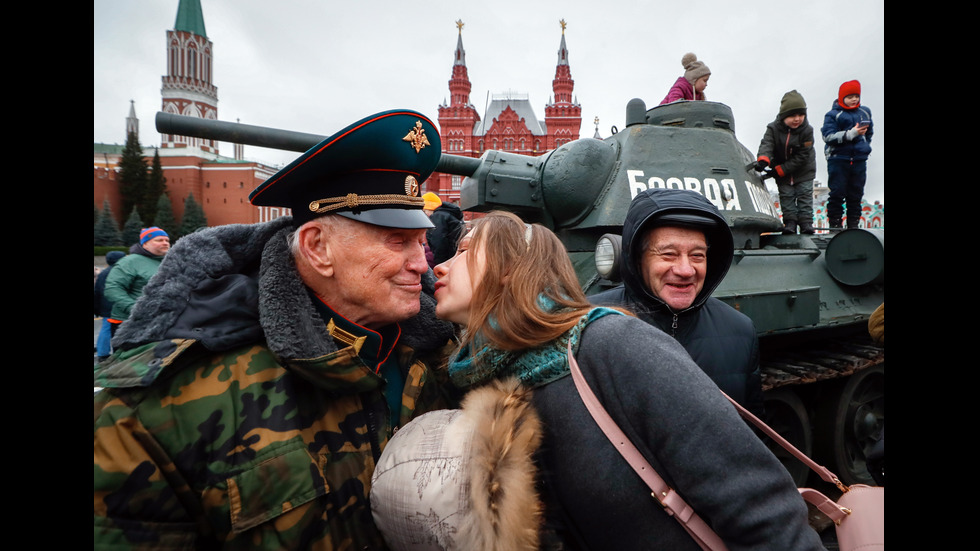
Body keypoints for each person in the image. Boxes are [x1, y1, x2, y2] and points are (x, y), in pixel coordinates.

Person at [94, 109, 462, 550]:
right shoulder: (159, 407)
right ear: (317, 247)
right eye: (396, 241)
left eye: (420, 242)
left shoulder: (437, 351)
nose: (422, 263)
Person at [370, 210, 823, 550]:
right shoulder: (484, 375)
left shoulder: (610, 344)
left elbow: (761, 506)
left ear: (510, 269)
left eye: (465, 253)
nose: (441, 267)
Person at [590, 188, 764, 416]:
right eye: (668, 254)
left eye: (697, 255)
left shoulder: (740, 331)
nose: (685, 270)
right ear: (637, 259)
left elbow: (751, 432)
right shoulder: (589, 323)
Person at [755, 90, 818, 235]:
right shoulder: (773, 129)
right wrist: (763, 159)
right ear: (784, 116)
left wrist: (781, 170)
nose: (797, 119)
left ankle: (806, 223)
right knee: (787, 196)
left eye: (800, 115)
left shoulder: (807, 131)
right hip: (781, 171)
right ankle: (789, 222)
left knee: (804, 196)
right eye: (792, 115)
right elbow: (767, 144)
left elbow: (803, 156)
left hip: (803, 170)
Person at [821, 79, 874, 229]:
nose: (854, 100)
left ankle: (853, 226)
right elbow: (827, 136)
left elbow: (869, 133)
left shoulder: (865, 112)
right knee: (837, 193)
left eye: (856, 96)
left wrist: (864, 146)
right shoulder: (833, 115)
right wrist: (851, 134)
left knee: (856, 194)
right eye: (850, 97)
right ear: (842, 97)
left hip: (859, 159)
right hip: (838, 159)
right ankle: (835, 226)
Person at [103, 226, 170, 338]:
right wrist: (135, 309)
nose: (165, 243)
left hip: (161, 322)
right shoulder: (130, 262)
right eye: (159, 240)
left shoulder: (170, 261)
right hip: (130, 323)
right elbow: (112, 288)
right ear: (145, 244)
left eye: (167, 240)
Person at [93, 250, 126, 362]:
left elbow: (96, 291)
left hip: (105, 306)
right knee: (109, 329)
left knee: (106, 329)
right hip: (114, 307)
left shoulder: (103, 273)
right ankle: (104, 353)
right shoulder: (120, 272)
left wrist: (98, 308)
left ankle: (103, 353)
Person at [422, 191, 465, 267]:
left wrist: (440, 265)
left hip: (446, 260)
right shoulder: (448, 215)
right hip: (456, 257)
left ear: (428, 208)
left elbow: (438, 242)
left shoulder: (437, 217)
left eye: (424, 211)